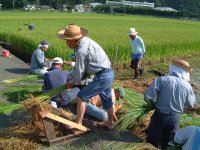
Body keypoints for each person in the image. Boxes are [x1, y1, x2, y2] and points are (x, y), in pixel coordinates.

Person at [57, 24, 114, 129]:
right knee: (107, 99)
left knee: (81, 97)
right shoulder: (86, 40)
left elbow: (79, 75)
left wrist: (72, 82)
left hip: (102, 76)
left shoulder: (80, 50)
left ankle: (78, 123)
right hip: (109, 73)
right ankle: (109, 122)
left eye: (67, 40)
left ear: (74, 40)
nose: (66, 42)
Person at [144, 59, 196, 149]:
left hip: (159, 116)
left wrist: (153, 104)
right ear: (185, 72)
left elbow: (147, 96)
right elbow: (191, 104)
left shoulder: (162, 80)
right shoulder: (187, 86)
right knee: (168, 144)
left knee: (151, 142)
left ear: (173, 68)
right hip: (174, 119)